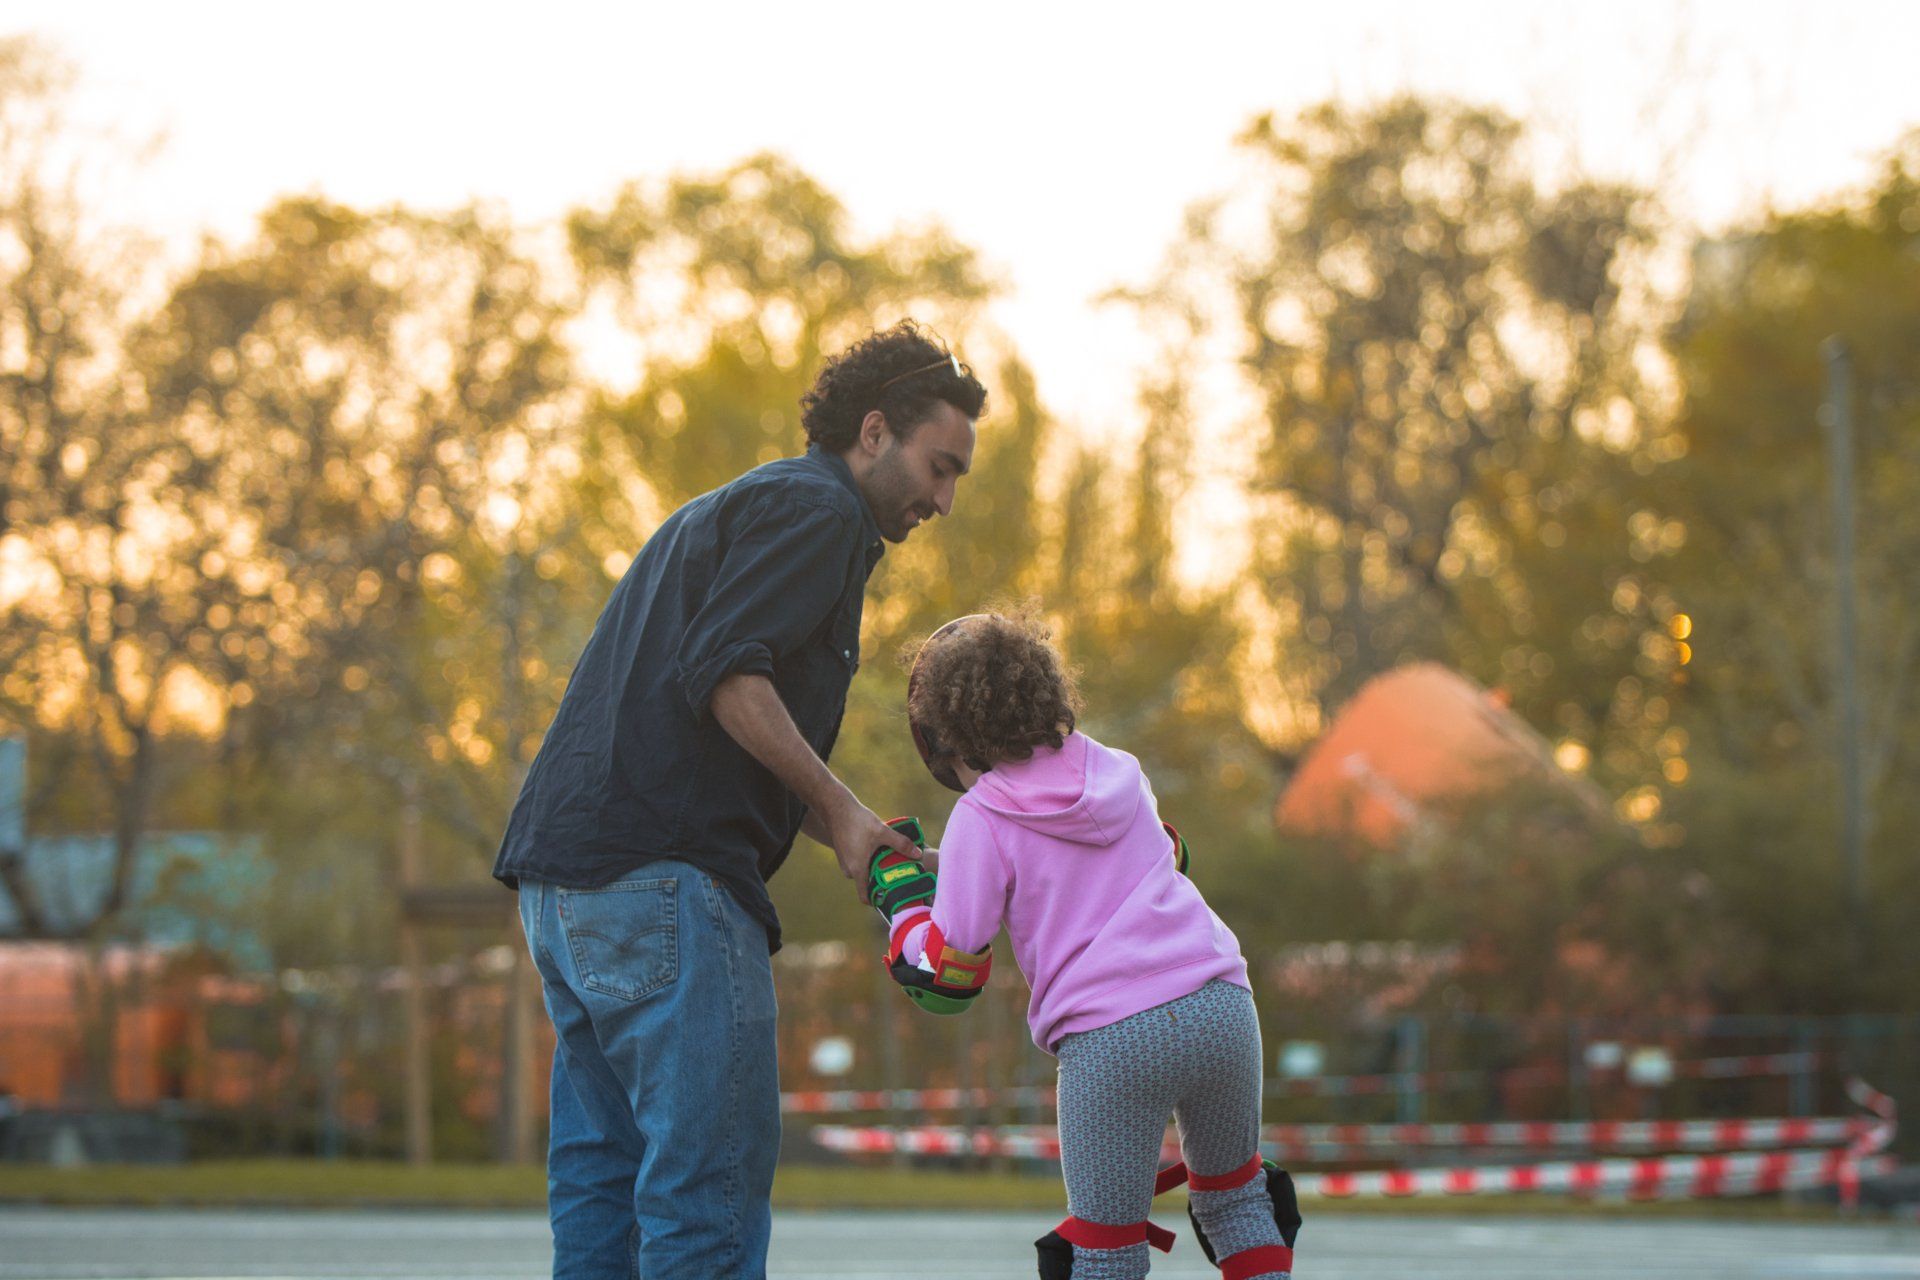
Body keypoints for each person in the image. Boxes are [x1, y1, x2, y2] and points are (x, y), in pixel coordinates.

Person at [493, 320, 985, 1280]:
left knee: (602, 1189)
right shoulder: (820, 515)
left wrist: (854, 829)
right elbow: (726, 677)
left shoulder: (739, 508)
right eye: (940, 466)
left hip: (566, 892)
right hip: (668, 891)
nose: (946, 498)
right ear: (875, 432)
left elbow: (716, 708)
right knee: (702, 1201)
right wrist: (840, 812)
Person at [873, 610, 1295, 1280]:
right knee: (1240, 1202)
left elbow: (949, 974)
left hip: (1115, 1036)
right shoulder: (1118, 770)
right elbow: (1169, 857)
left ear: (941, 733)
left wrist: (898, 894)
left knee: (1104, 1249)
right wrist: (948, 863)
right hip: (1222, 1003)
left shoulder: (980, 815)